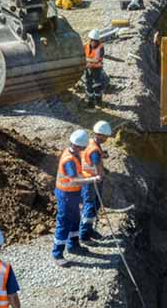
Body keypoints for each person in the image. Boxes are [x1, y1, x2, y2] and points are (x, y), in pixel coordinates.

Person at [52, 129, 101, 267]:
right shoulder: (69, 161)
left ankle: (73, 245)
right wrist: (92, 179)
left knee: (75, 220)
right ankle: (57, 253)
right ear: (79, 146)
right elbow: (74, 179)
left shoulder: (75, 154)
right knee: (64, 223)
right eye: (83, 147)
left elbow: (79, 174)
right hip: (66, 195)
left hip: (73, 193)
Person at [80, 120, 112, 243]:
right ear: (99, 134)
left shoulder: (91, 143)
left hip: (89, 180)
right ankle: (84, 236)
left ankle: (89, 230)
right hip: (91, 182)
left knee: (95, 206)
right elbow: (96, 163)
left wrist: (102, 154)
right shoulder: (94, 150)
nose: (106, 139)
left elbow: (92, 156)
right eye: (105, 137)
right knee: (89, 207)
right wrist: (102, 174)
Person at [84, 29, 106, 108]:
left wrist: (86, 59)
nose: (93, 42)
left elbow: (97, 60)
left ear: (97, 40)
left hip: (97, 69)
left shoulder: (101, 48)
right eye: (92, 40)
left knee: (97, 85)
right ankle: (90, 101)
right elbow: (82, 54)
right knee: (88, 84)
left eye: (95, 41)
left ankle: (98, 101)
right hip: (88, 69)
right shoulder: (86, 46)